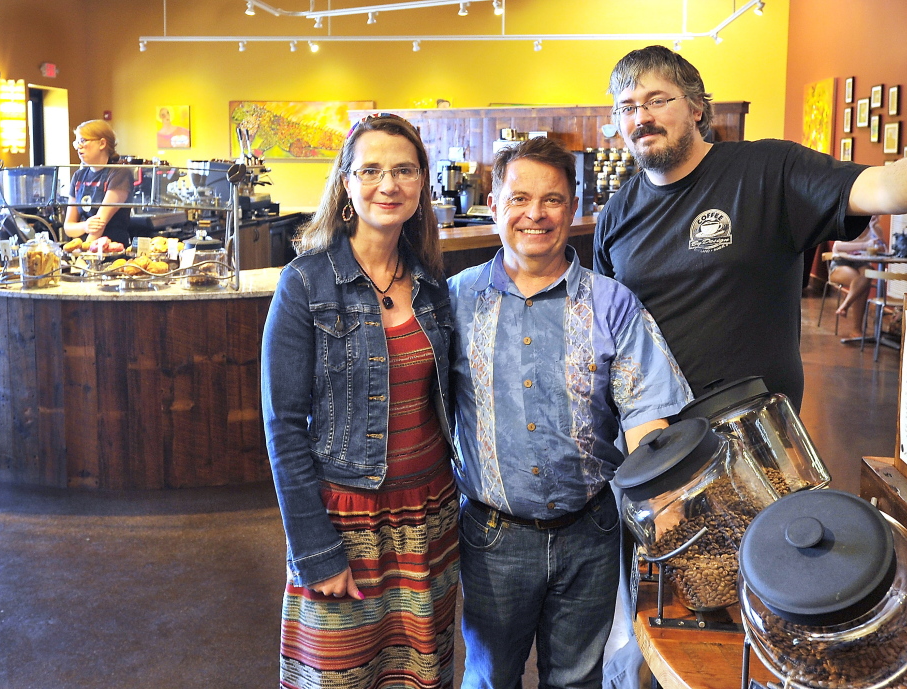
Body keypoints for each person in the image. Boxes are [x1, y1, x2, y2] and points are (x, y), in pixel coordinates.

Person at [594, 44, 907, 411]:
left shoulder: (767, 170)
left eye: (656, 101)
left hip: (759, 432)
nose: (641, 118)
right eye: (626, 108)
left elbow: (880, 186)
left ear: (696, 107)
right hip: (654, 433)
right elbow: (607, 326)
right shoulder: (616, 213)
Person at [449, 137, 691, 689]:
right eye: (520, 199)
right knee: (489, 678)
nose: (535, 214)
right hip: (492, 537)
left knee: (577, 680)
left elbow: (646, 414)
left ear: (573, 207)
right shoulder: (454, 301)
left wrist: (663, 502)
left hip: (591, 532)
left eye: (552, 200)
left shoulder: (613, 303)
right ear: (494, 205)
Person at [260, 113, 459, 689]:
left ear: (421, 183)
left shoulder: (431, 281)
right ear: (346, 183)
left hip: (429, 514)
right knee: (339, 675)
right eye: (370, 170)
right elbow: (282, 426)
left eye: (403, 170)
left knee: (421, 673)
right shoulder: (304, 283)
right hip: (346, 520)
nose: (388, 185)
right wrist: (315, 548)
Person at [64, 119, 133, 246]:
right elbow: (68, 227)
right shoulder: (78, 176)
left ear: (102, 144)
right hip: (84, 248)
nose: (78, 146)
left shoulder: (119, 173)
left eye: (83, 141)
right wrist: (85, 226)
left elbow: (99, 225)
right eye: (77, 142)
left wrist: (85, 252)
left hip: (111, 249)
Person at [828, 215, 886, 338]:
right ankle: (856, 329)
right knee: (860, 282)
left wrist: (873, 228)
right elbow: (838, 246)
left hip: (862, 263)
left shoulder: (876, 228)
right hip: (840, 262)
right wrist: (865, 245)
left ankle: (845, 306)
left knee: (868, 273)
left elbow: (884, 250)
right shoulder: (848, 224)